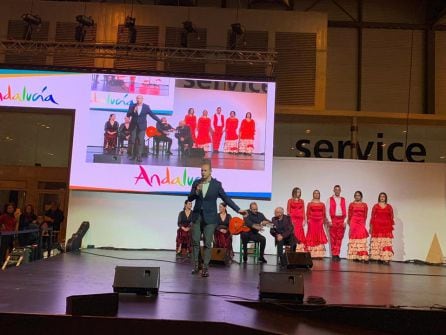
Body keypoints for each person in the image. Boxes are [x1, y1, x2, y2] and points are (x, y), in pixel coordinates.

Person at [188, 160, 244, 277]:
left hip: (210, 218)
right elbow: (190, 198)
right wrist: (197, 191)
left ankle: (205, 267)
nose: (203, 173)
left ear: (210, 171)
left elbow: (226, 198)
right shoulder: (196, 182)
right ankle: (196, 265)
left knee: (208, 243)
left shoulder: (216, 185)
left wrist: (238, 209)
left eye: (205, 170)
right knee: (195, 241)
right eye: (201, 170)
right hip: (197, 216)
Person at [127, 94, 161, 162]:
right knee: (133, 140)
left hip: (142, 126)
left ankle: (139, 156)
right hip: (134, 125)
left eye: (139, 98)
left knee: (140, 140)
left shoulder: (146, 107)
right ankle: (133, 156)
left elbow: (152, 115)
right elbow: (128, 114)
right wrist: (133, 111)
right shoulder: (132, 106)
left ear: (142, 99)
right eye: (137, 98)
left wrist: (159, 120)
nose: (138, 100)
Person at [369, 192, 395, 264]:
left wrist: (389, 226)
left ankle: (385, 259)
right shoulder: (375, 206)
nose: (382, 198)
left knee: (385, 243)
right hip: (377, 227)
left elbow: (391, 217)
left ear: (385, 198)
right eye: (381, 196)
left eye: (383, 196)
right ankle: (377, 258)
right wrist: (371, 227)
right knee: (378, 242)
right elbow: (372, 217)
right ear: (379, 198)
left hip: (386, 227)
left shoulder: (389, 207)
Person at [347, 191, 369, 262]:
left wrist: (363, 222)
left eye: (358, 195)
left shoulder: (364, 205)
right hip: (353, 221)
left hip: (361, 221)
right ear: (354, 196)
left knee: (361, 238)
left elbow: (365, 215)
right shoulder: (351, 204)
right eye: (356, 195)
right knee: (354, 238)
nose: (357, 197)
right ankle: (355, 256)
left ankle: (362, 256)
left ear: (361, 196)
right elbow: (349, 215)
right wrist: (350, 223)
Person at [326, 185, 347, 262]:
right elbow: (327, 211)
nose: (337, 191)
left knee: (339, 238)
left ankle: (337, 253)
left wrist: (345, 221)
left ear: (340, 190)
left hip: (341, 220)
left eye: (338, 190)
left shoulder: (343, 199)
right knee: (333, 237)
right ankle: (334, 254)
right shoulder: (330, 199)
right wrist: (330, 220)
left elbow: (346, 210)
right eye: (336, 190)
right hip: (333, 219)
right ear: (334, 190)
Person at [305, 190, 328, 259]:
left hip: (319, 221)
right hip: (312, 221)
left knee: (319, 236)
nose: (316, 194)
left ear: (319, 195)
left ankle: (319, 254)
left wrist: (323, 221)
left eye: (318, 193)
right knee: (311, 236)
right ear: (313, 194)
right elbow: (307, 213)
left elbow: (324, 214)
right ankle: (311, 254)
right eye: (315, 193)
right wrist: (308, 220)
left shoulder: (322, 204)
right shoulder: (310, 204)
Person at [287, 187, 306, 252]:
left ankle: (299, 250)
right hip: (293, 220)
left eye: (300, 192)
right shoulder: (290, 200)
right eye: (298, 192)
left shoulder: (302, 201)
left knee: (300, 233)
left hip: (300, 220)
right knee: (294, 233)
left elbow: (303, 210)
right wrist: (289, 220)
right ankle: (293, 249)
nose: (299, 193)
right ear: (294, 192)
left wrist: (304, 219)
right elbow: (288, 211)